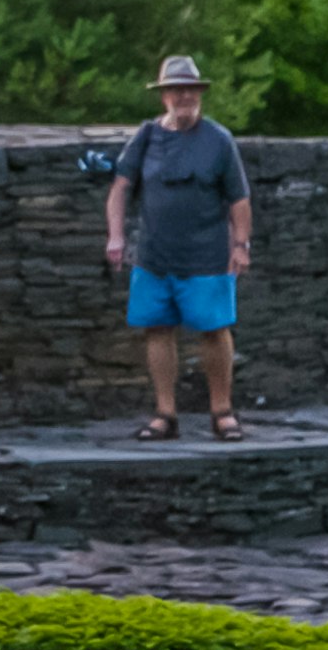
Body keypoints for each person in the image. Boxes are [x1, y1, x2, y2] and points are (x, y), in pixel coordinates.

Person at [104, 54, 252, 441]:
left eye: (189, 89)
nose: (183, 96)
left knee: (215, 330)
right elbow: (121, 188)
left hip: (206, 256)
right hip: (154, 255)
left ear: (199, 93)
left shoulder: (219, 140)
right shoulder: (147, 136)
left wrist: (241, 245)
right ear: (164, 96)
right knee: (157, 329)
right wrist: (116, 236)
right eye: (175, 90)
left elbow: (239, 199)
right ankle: (164, 414)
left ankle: (222, 412)